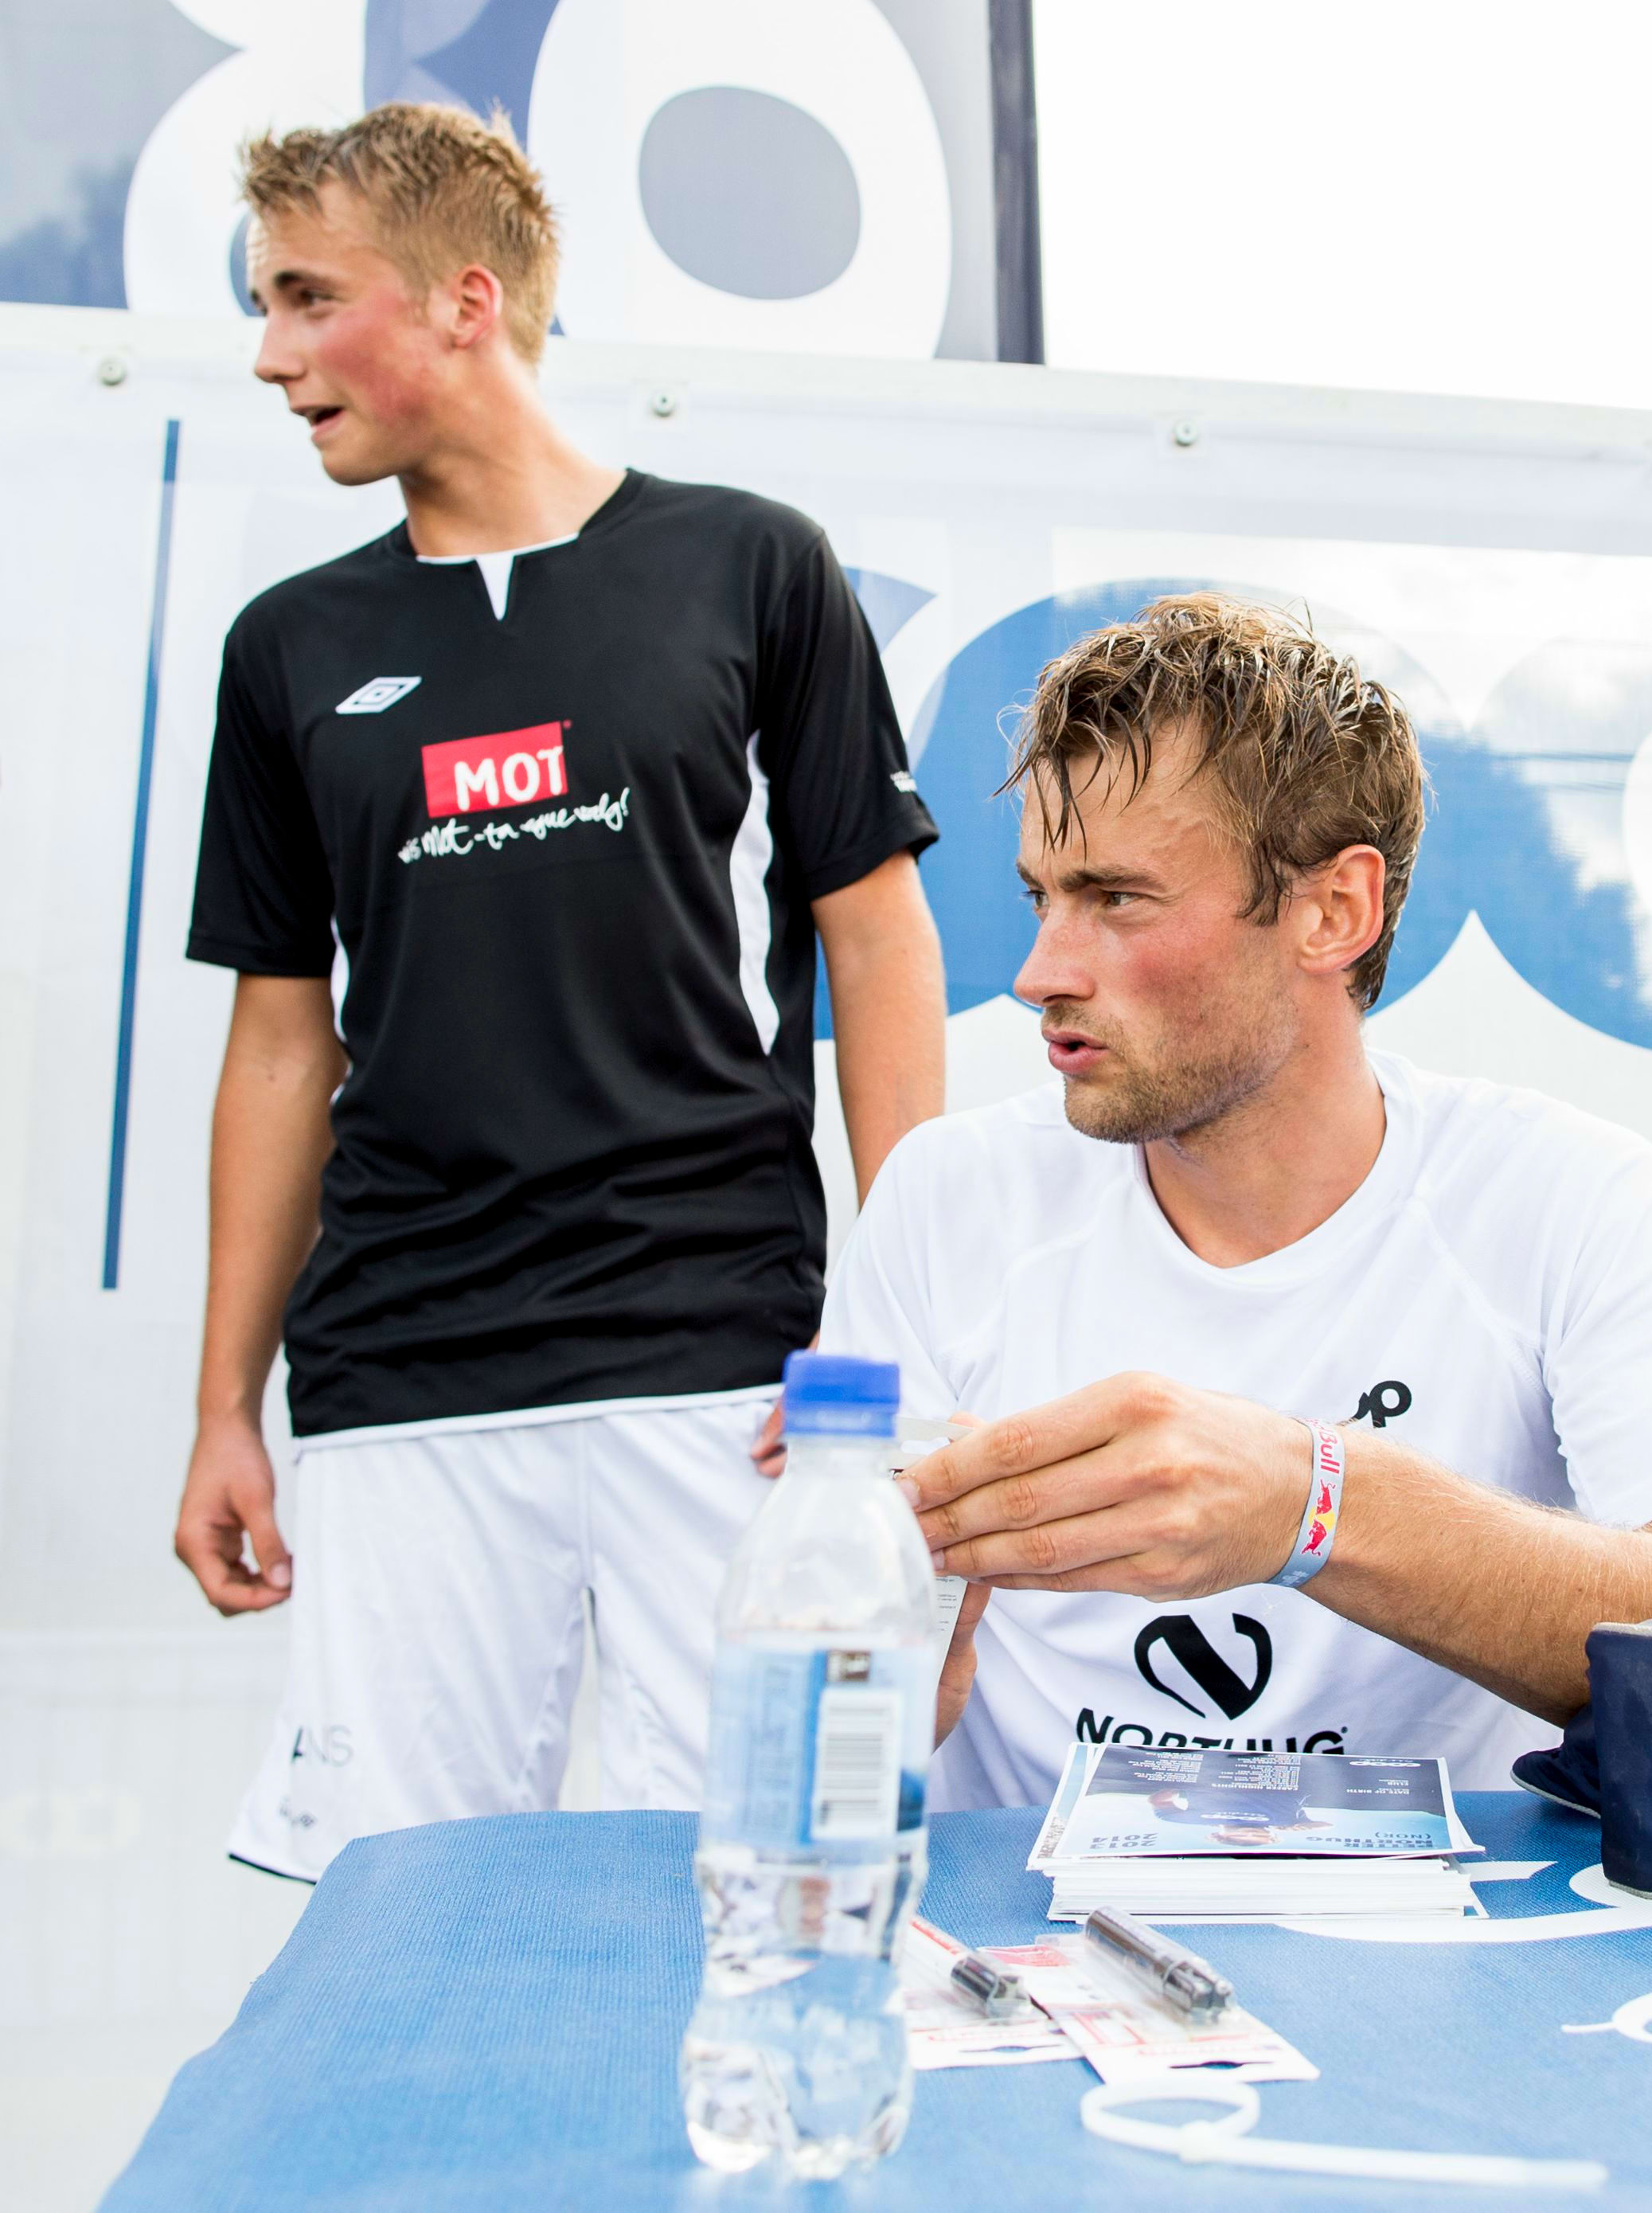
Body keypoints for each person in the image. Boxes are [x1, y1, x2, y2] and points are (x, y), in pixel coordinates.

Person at [174, 104, 947, 1879]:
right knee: (403, 1914)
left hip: (721, 1363)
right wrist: (224, 1408)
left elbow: (877, 938)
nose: (274, 356)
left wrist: (895, 1318)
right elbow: (281, 1044)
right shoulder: (287, 647)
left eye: (307, 299)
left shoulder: (751, 565)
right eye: (266, 307)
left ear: (465, 300)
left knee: (751, 1884)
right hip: (405, 1374)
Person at [822, 592, 1652, 1806]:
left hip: (1465, 1920)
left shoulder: (1570, 1198)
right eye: (1040, 898)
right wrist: (876, 1709)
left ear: (1334, 912)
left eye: (1116, 899)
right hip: (1035, 1916)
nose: (1039, 971)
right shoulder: (947, 1197)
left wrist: (1315, 1504)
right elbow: (831, 1702)